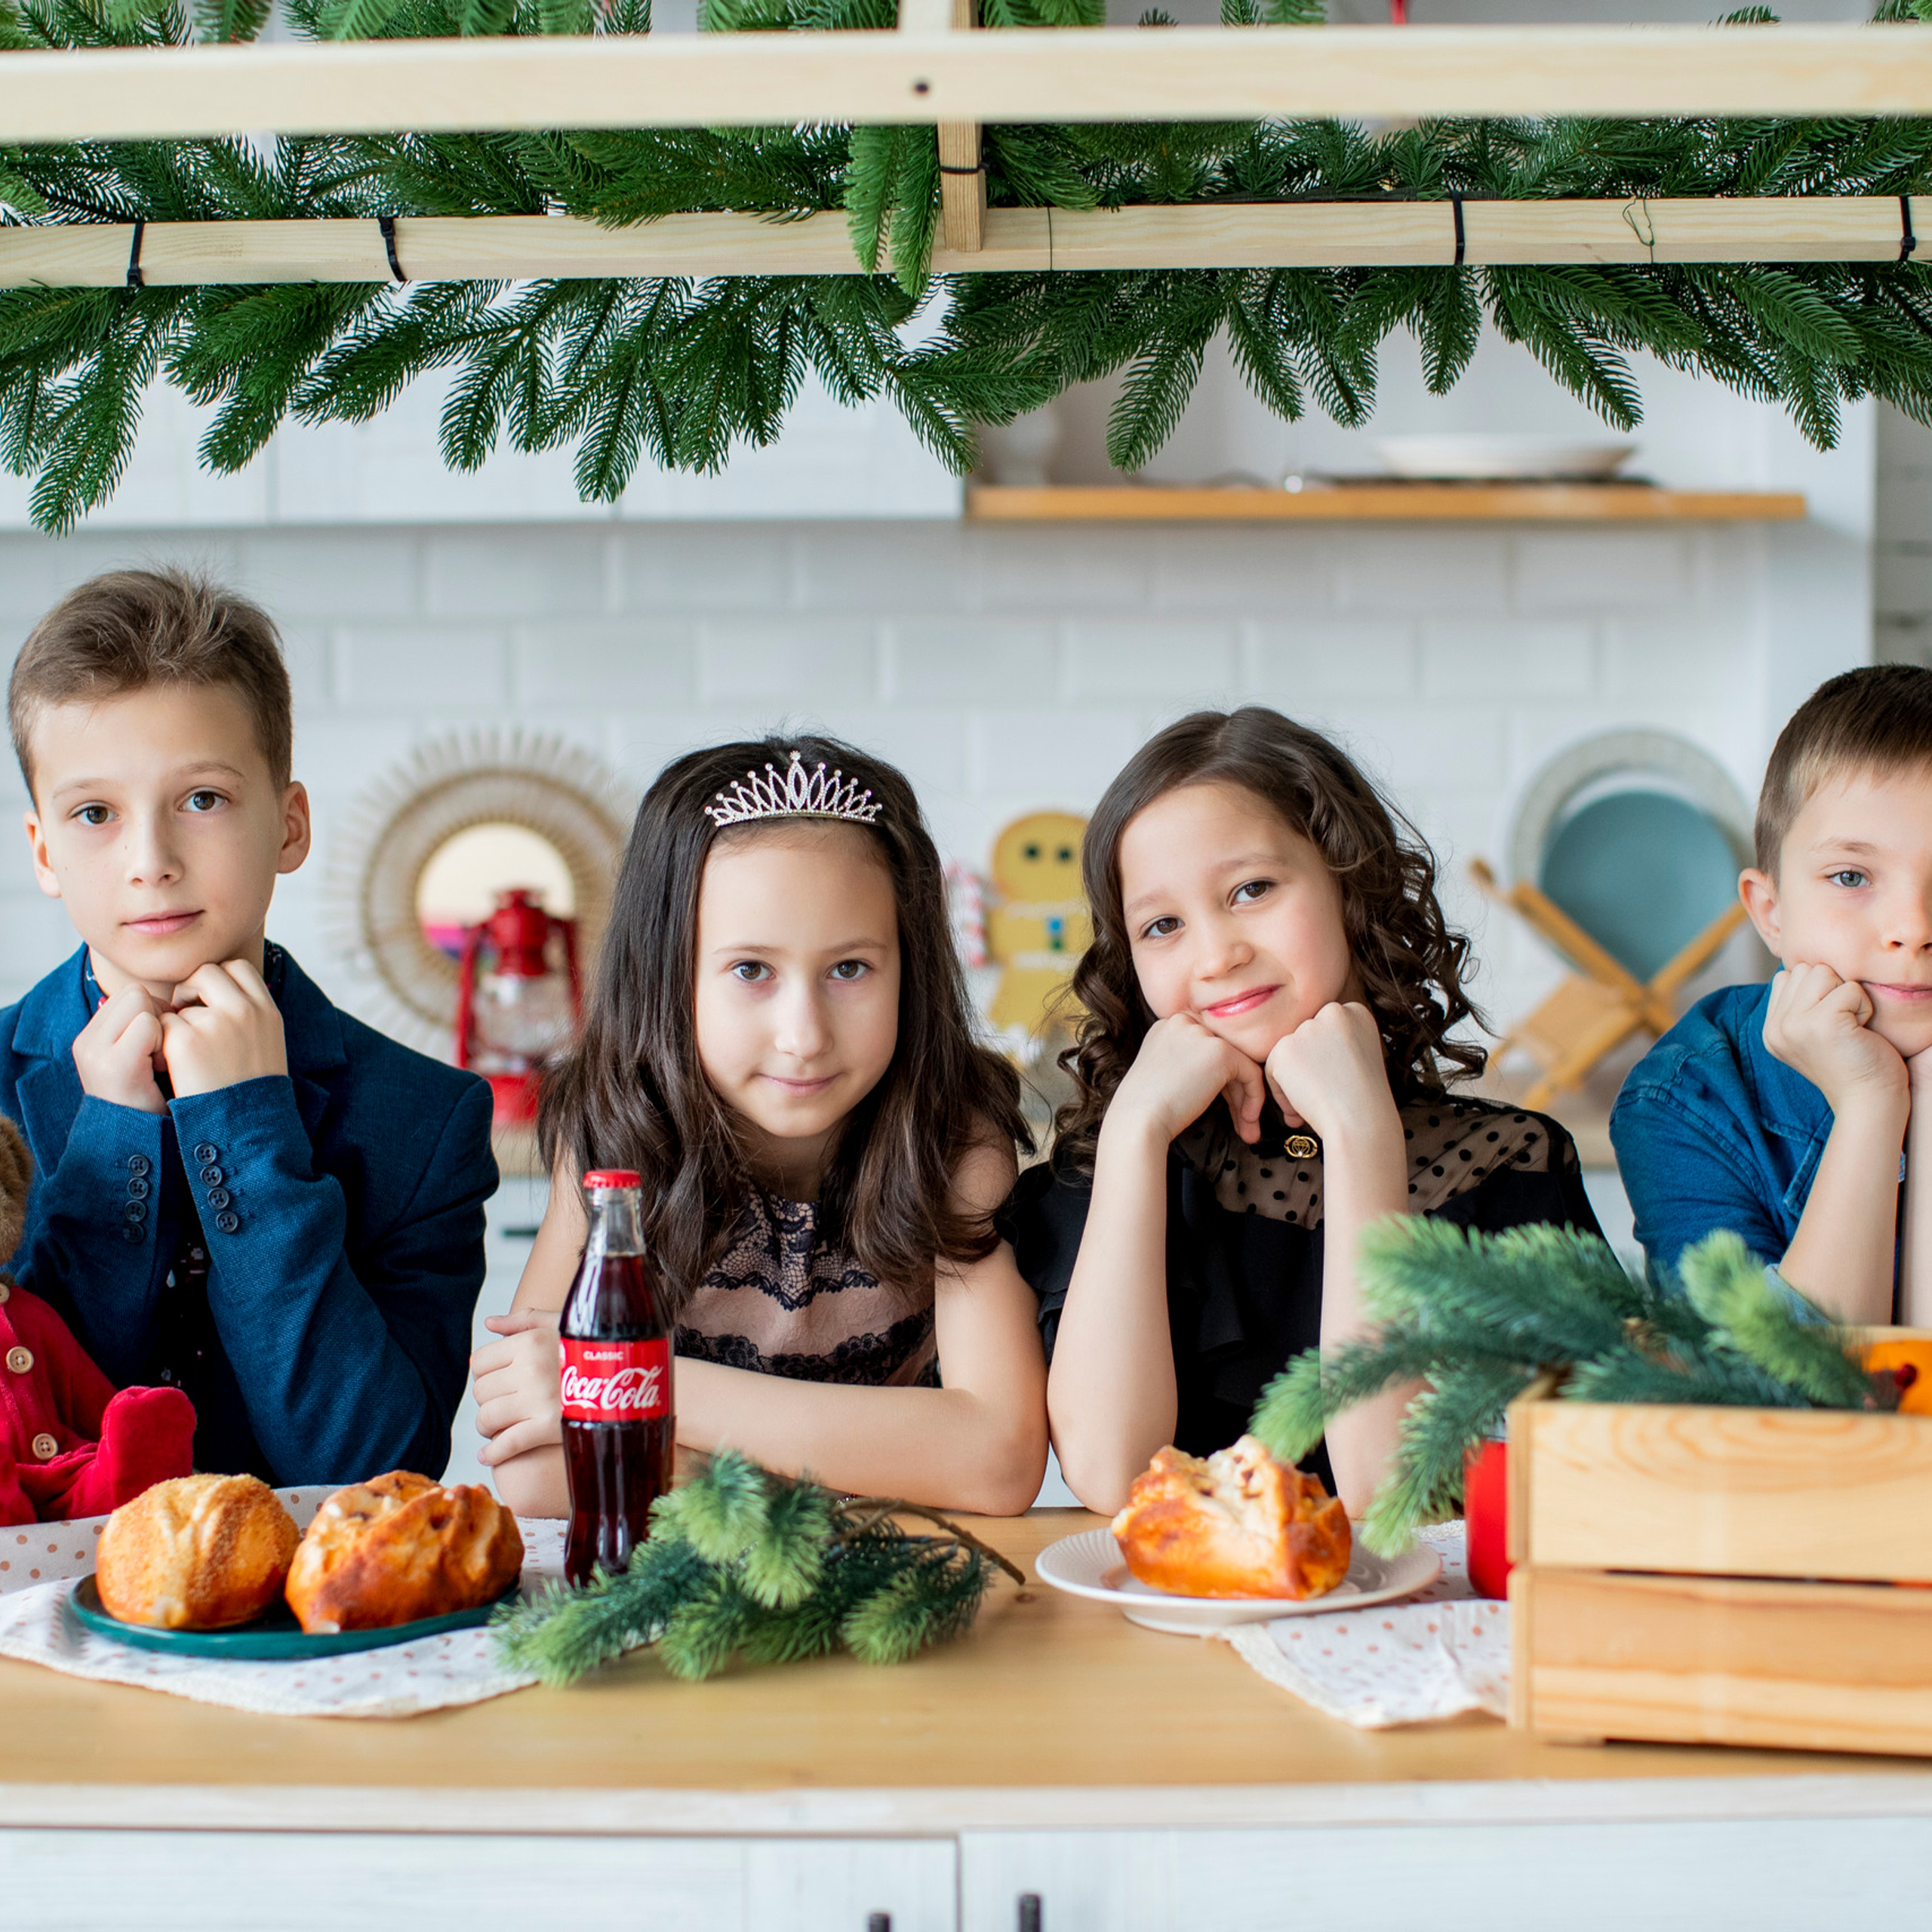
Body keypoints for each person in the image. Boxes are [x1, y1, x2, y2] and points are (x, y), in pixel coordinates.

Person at [1002, 707, 1601, 1518]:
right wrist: (1134, 1131)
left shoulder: (1511, 1166)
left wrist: (1361, 1139)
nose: (1217, 954)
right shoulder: (1104, 1172)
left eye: (1251, 890)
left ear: (1351, 883)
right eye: (1163, 925)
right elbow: (1116, 1475)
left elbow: (1398, 1498)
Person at [0, 568, 496, 1485]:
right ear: (44, 852)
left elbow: (375, 1471)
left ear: (290, 826)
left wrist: (246, 1125)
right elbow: (36, 1442)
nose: (150, 861)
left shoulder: (427, 1122)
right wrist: (113, 1143)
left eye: (202, 799)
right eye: (95, 813)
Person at [471, 736, 1048, 1518]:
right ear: (669, 973)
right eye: (751, 970)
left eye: (849, 968)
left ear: (909, 969)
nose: (803, 1035)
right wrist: (888, 1466)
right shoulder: (617, 1133)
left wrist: (648, 1384)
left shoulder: (952, 1134)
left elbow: (998, 1460)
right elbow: (539, 1469)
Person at [1612, 664, 1932, 1325]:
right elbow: (1782, 1381)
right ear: (1771, 911)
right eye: (1851, 876)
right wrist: (1871, 1104)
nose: (1913, 928)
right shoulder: (1689, 1098)